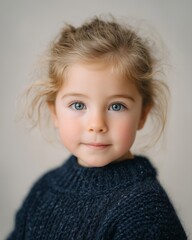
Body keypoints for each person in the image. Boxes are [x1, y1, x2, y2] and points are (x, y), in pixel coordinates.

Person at [7, 16, 187, 239]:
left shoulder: (145, 209)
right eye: (78, 105)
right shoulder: (44, 188)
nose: (97, 125)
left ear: (142, 114)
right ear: (55, 112)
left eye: (116, 106)